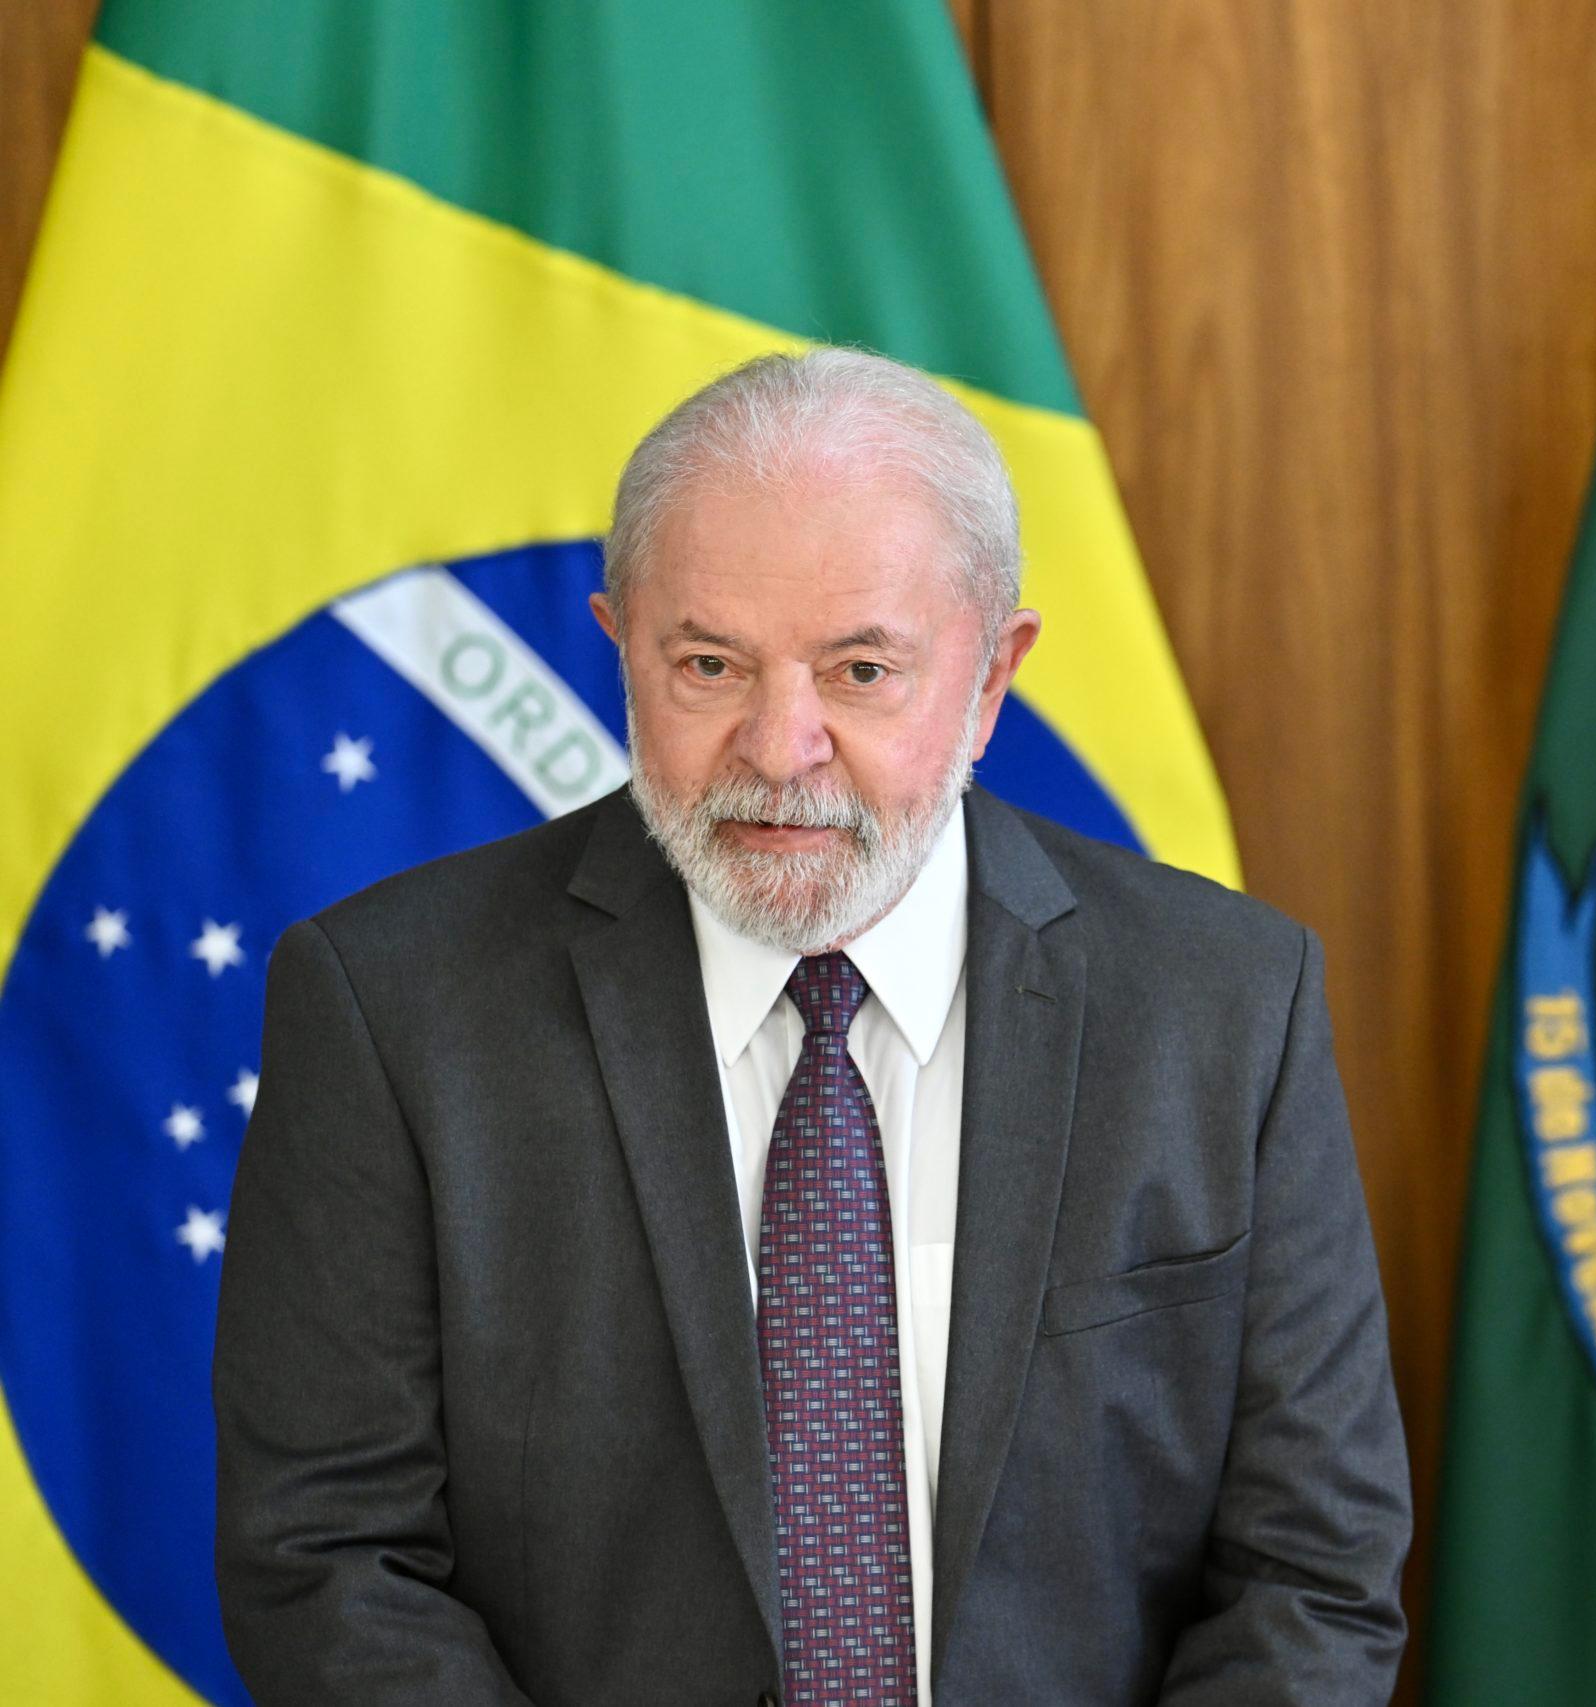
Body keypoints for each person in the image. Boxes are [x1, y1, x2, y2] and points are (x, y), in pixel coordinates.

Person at [211, 348, 1411, 1705]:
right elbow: (328, 1555)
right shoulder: (392, 1008)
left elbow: (1312, 1569)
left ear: (992, 680)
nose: (781, 748)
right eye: (709, 665)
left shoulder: (1224, 1005)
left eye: (861, 671)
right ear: (620, 646)